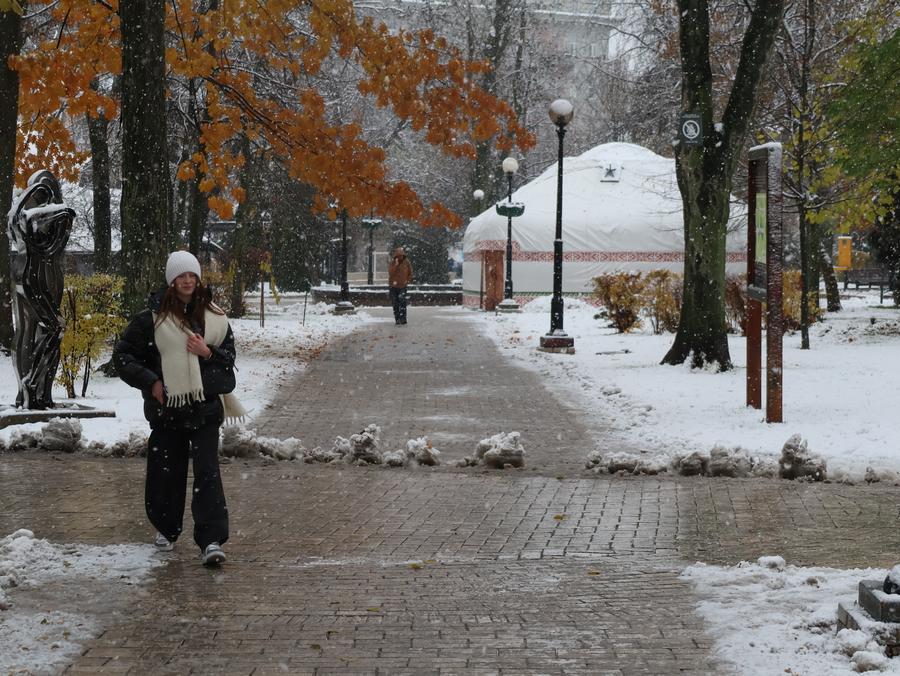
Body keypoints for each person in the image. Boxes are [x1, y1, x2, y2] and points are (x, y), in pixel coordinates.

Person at [113, 251, 245, 566]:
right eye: (181, 276)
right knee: (164, 475)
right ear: (172, 280)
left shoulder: (214, 317)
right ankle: (166, 528)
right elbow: (123, 356)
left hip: (204, 412)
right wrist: (152, 383)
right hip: (167, 412)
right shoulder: (151, 318)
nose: (188, 281)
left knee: (207, 474)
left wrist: (207, 352)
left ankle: (211, 540)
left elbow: (229, 365)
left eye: (192, 275)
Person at [388, 247, 413, 325]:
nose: (400, 257)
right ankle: (397, 319)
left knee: (402, 301)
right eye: (398, 256)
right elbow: (390, 273)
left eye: (401, 255)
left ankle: (403, 319)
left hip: (402, 286)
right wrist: (396, 265)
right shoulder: (393, 263)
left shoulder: (406, 262)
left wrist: (407, 281)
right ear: (396, 256)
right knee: (395, 303)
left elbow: (410, 273)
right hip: (393, 286)